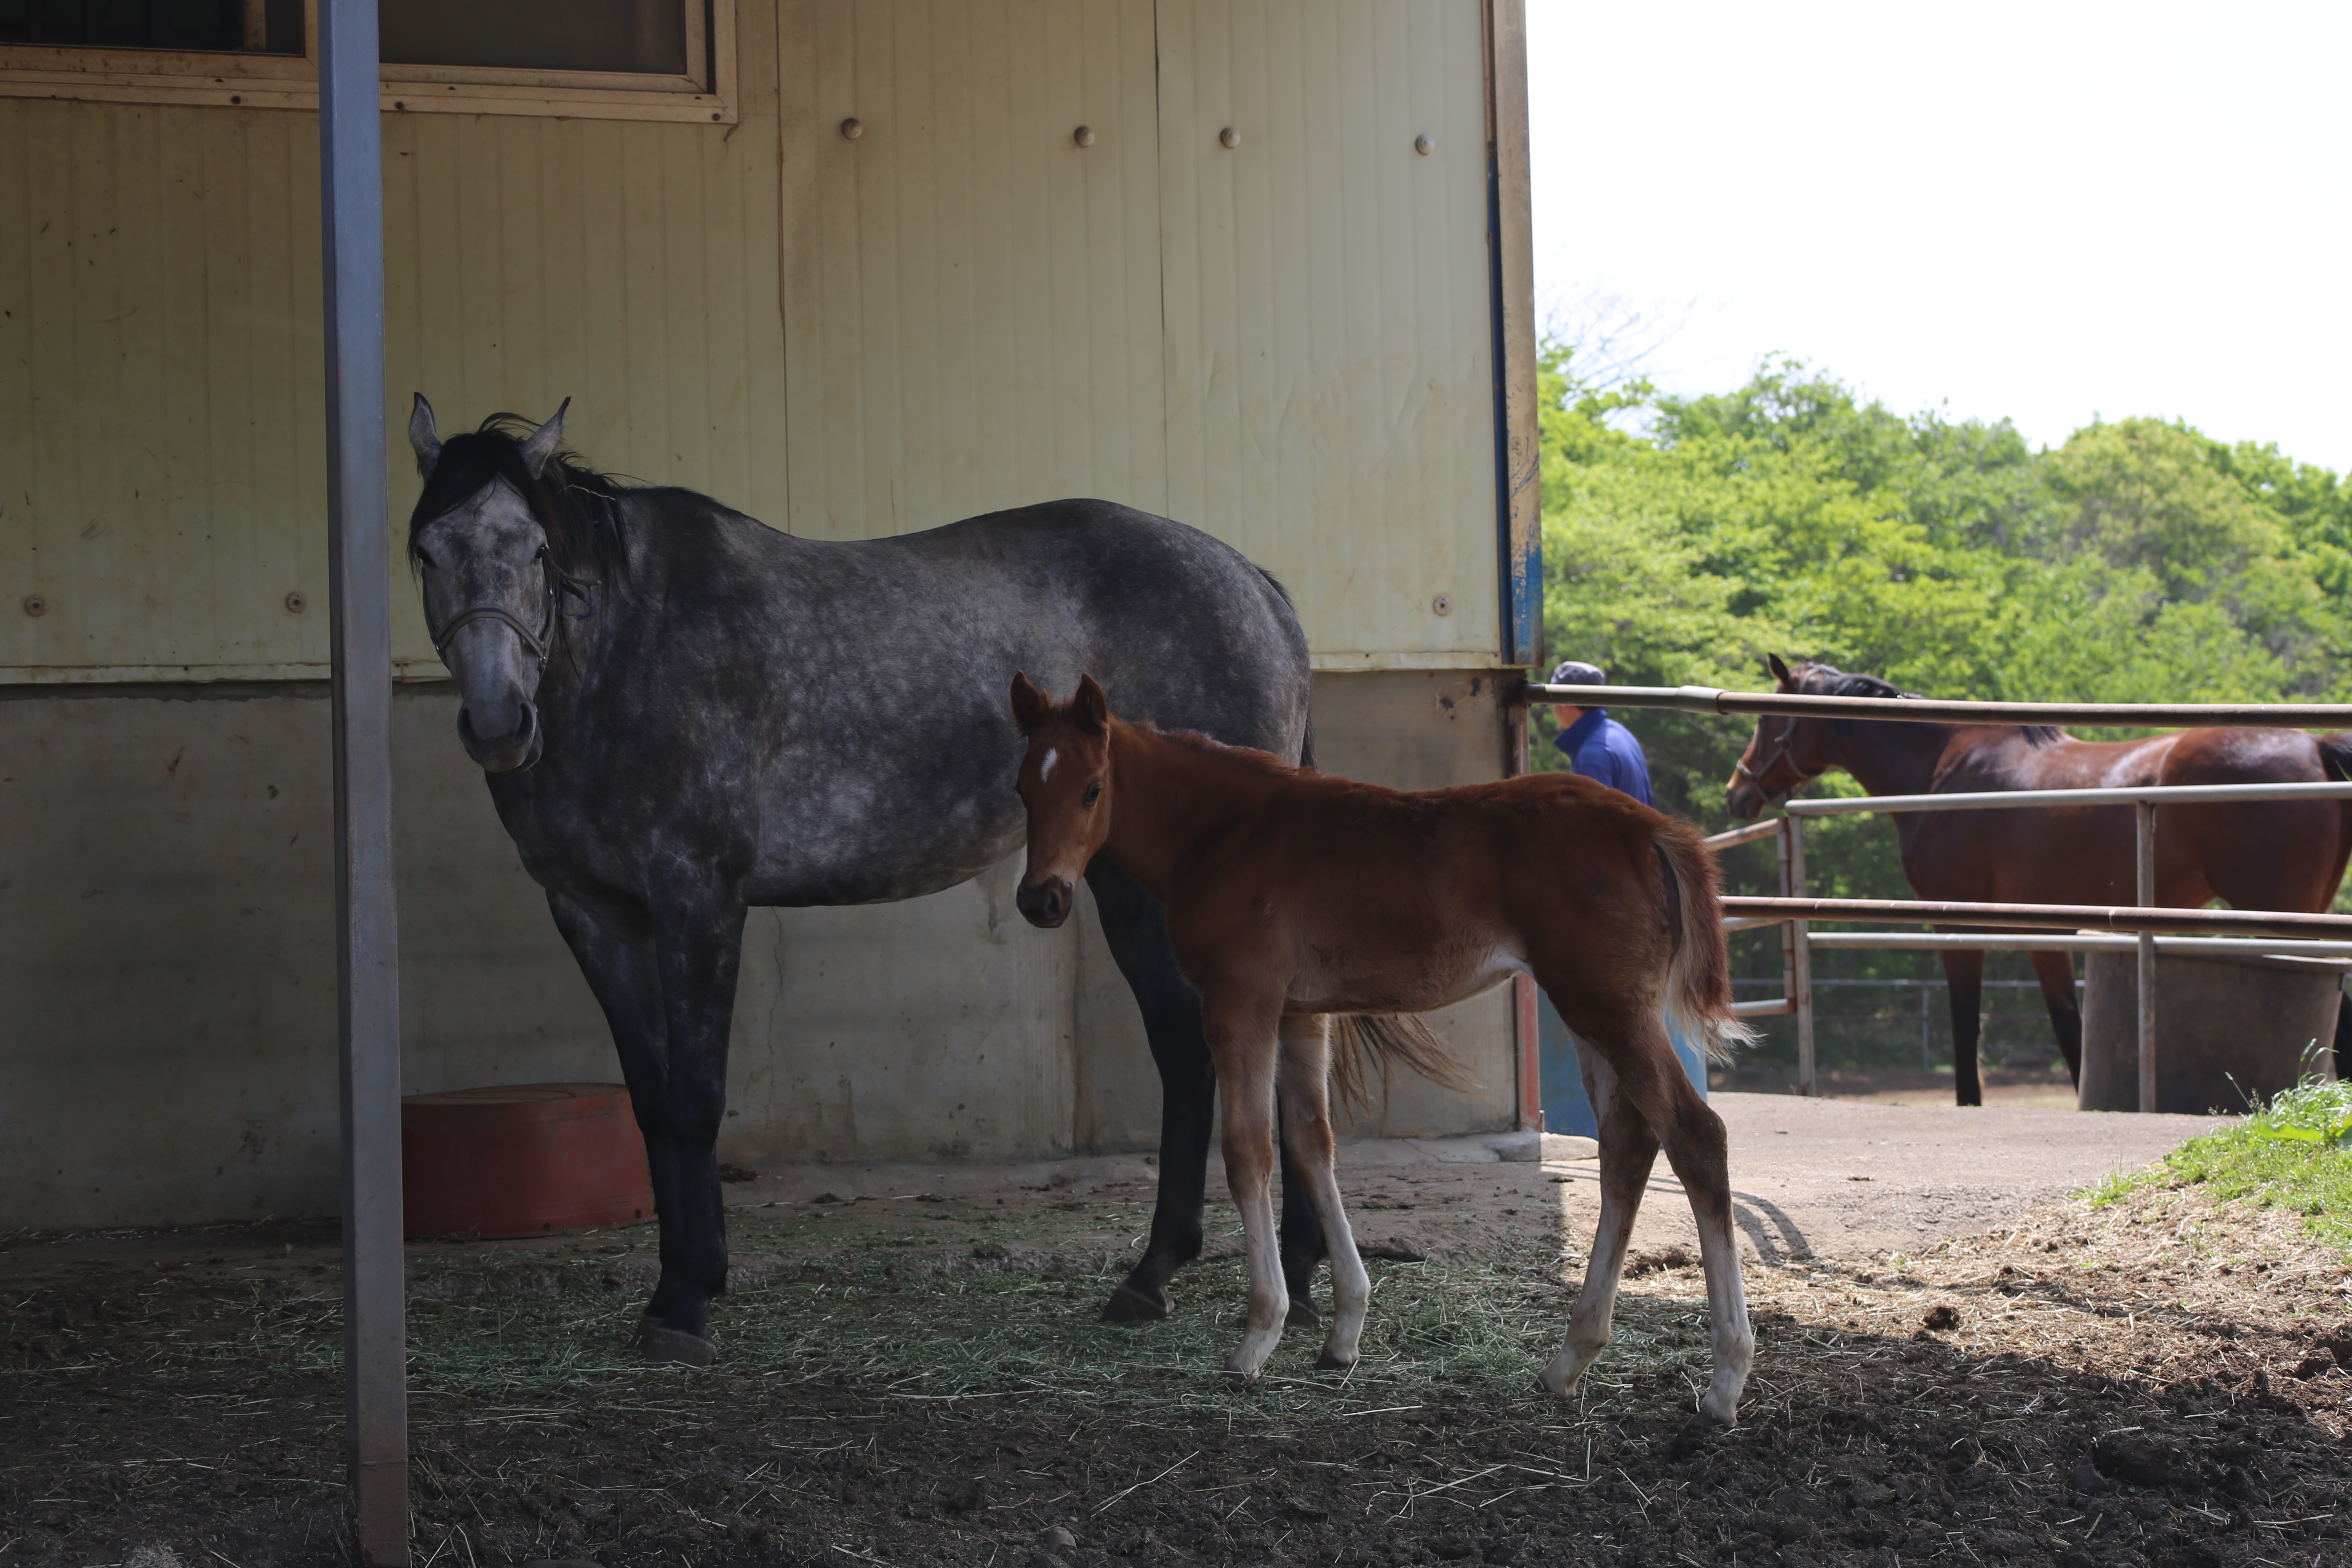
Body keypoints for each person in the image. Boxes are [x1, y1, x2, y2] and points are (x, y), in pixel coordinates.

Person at [1546, 660, 1653, 805]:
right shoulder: (1619, 732)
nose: (1552, 707)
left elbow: (1595, 824)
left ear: (1566, 703)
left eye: (1553, 700)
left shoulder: (1592, 755)